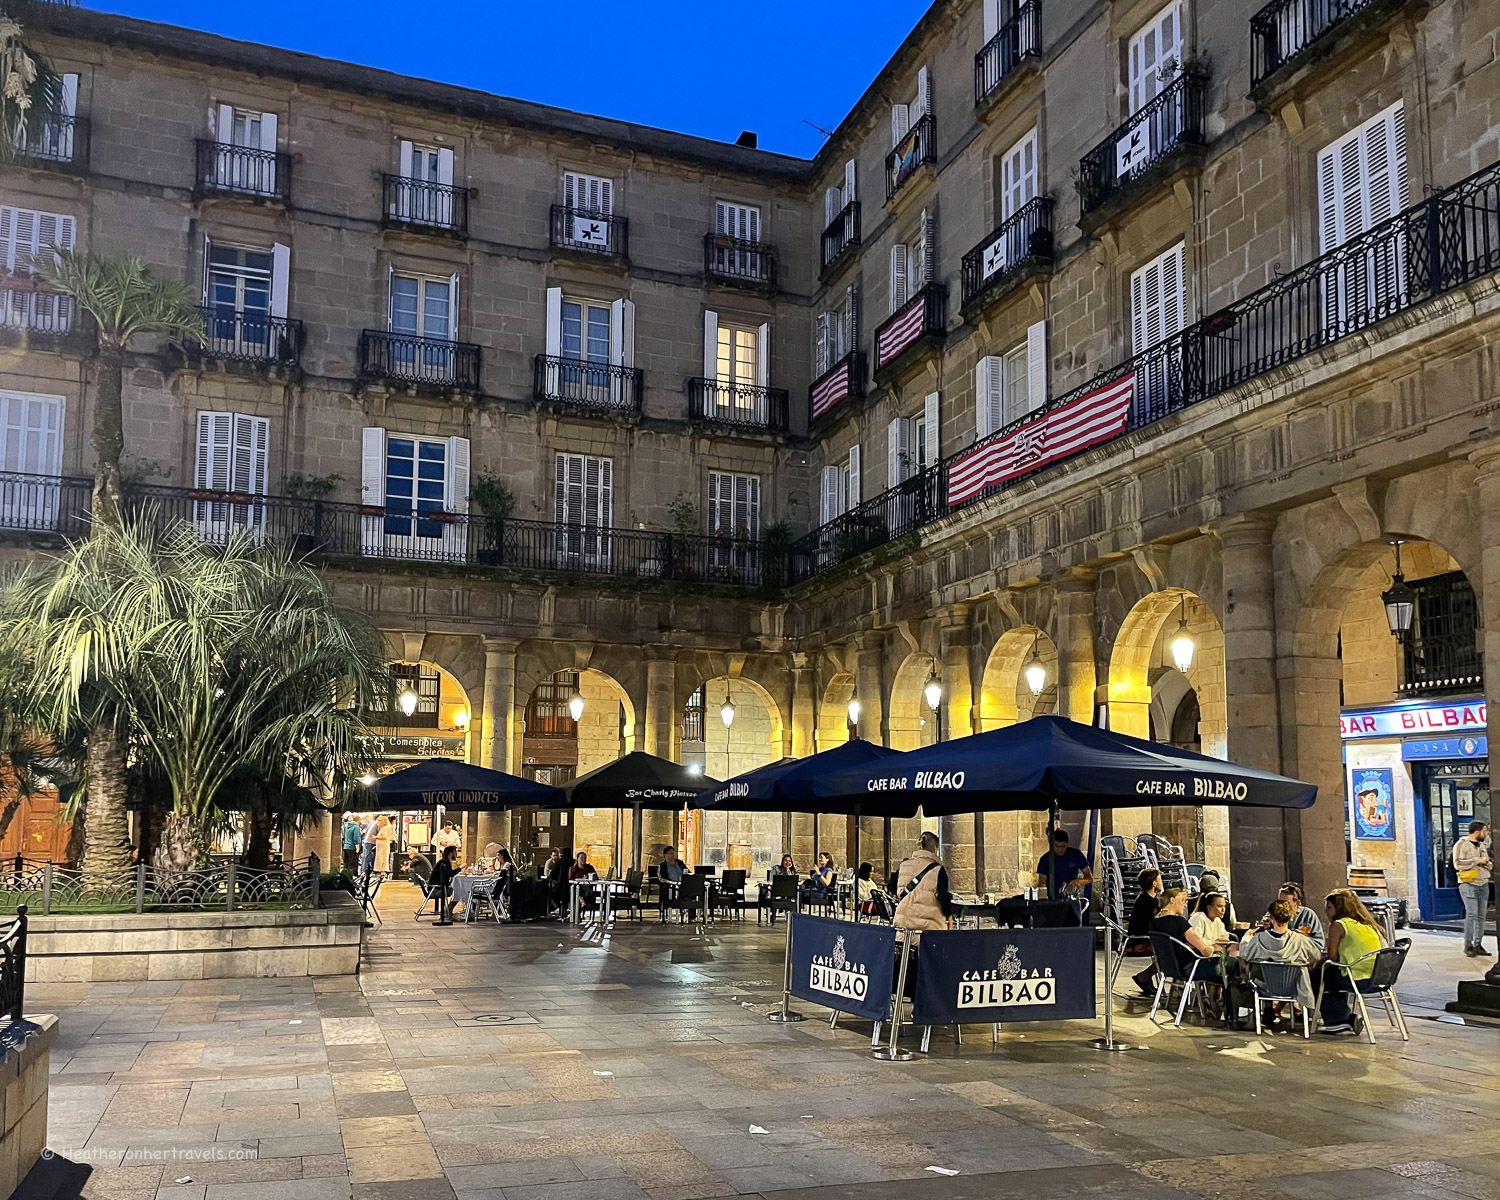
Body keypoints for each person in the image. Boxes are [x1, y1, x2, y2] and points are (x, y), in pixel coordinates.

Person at [1238, 898, 1321, 1022]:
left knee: (1256, 970)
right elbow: (1316, 956)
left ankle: (1267, 1009)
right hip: (1294, 987)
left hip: (1266, 987)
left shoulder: (1260, 939)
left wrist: (1246, 937)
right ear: (1291, 917)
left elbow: (1245, 953)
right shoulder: (1300, 940)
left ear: (1271, 918)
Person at [1318, 888, 1386, 1034]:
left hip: (1355, 977)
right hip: (1376, 976)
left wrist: (1318, 962)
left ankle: (1337, 1019)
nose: (1326, 911)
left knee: (1320, 974)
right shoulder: (1368, 925)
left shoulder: (1339, 925)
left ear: (1339, 908)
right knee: (1331, 973)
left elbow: (1332, 957)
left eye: (1329, 907)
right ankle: (1344, 1016)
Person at [1150, 887, 1221, 994]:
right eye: (1183, 900)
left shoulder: (1153, 922)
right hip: (1190, 968)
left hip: (1168, 968)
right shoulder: (1179, 922)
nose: (1185, 905)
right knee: (1230, 965)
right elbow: (1205, 951)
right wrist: (1215, 947)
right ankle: (1224, 1005)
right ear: (1172, 900)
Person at [894, 831, 952, 931]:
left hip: (903, 924)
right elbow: (943, 898)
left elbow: (891, 885)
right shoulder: (939, 870)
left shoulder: (904, 865)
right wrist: (949, 915)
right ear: (935, 848)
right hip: (929, 926)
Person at [1452, 820, 1492, 957]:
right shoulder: (1461, 844)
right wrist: (1476, 860)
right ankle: (1467, 945)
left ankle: (1478, 944)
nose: (1486, 834)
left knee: (1482, 915)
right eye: (1485, 831)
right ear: (1477, 831)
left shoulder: (1481, 845)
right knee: (1471, 914)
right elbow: (1457, 864)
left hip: (1483, 882)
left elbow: (1487, 861)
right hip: (1468, 883)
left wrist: (1487, 864)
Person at [1127, 867, 1164, 995]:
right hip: (1139, 941)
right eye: (1159, 879)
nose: (1161, 881)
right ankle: (1143, 976)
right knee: (1168, 952)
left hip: (1142, 938)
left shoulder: (1147, 899)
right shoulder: (1148, 902)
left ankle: (1144, 977)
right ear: (1154, 883)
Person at [1036, 829, 1092, 901]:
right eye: (1057, 846)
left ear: (1067, 844)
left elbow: (1089, 878)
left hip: (1071, 897)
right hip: (1052, 898)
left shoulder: (1076, 855)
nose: (1060, 849)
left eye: (1063, 846)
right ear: (1052, 845)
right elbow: (1042, 884)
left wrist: (1077, 882)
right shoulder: (1045, 859)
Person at [1277, 882, 1325, 953]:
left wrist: (1302, 939)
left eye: (1286, 903)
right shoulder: (1274, 914)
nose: (1282, 907)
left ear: (1298, 903)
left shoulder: (1308, 915)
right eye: (1279, 903)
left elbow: (1319, 945)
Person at [427, 844, 460, 922]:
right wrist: (460, 868)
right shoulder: (445, 862)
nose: (456, 854)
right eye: (455, 852)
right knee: (459, 891)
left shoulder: (443, 861)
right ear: (451, 853)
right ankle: (448, 910)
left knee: (458, 891)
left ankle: (448, 910)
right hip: (436, 889)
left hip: (435, 887)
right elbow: (450, 873)